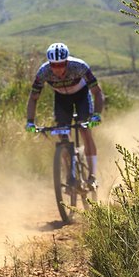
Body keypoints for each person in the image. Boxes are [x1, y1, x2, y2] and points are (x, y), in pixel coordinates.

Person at [25, 42, 105, 187]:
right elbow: (33, 97)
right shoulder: (43, 72)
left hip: (81, 96)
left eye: (61, 64)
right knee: (62, 134)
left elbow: (97, 92)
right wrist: (30, 121)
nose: (57, 69)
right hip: (62, 98)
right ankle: (70, 170)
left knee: (85, 130)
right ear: (49, 64)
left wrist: (96, 115)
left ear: (67, 61)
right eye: (54, 65)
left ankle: (92, 176)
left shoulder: (79, 66)